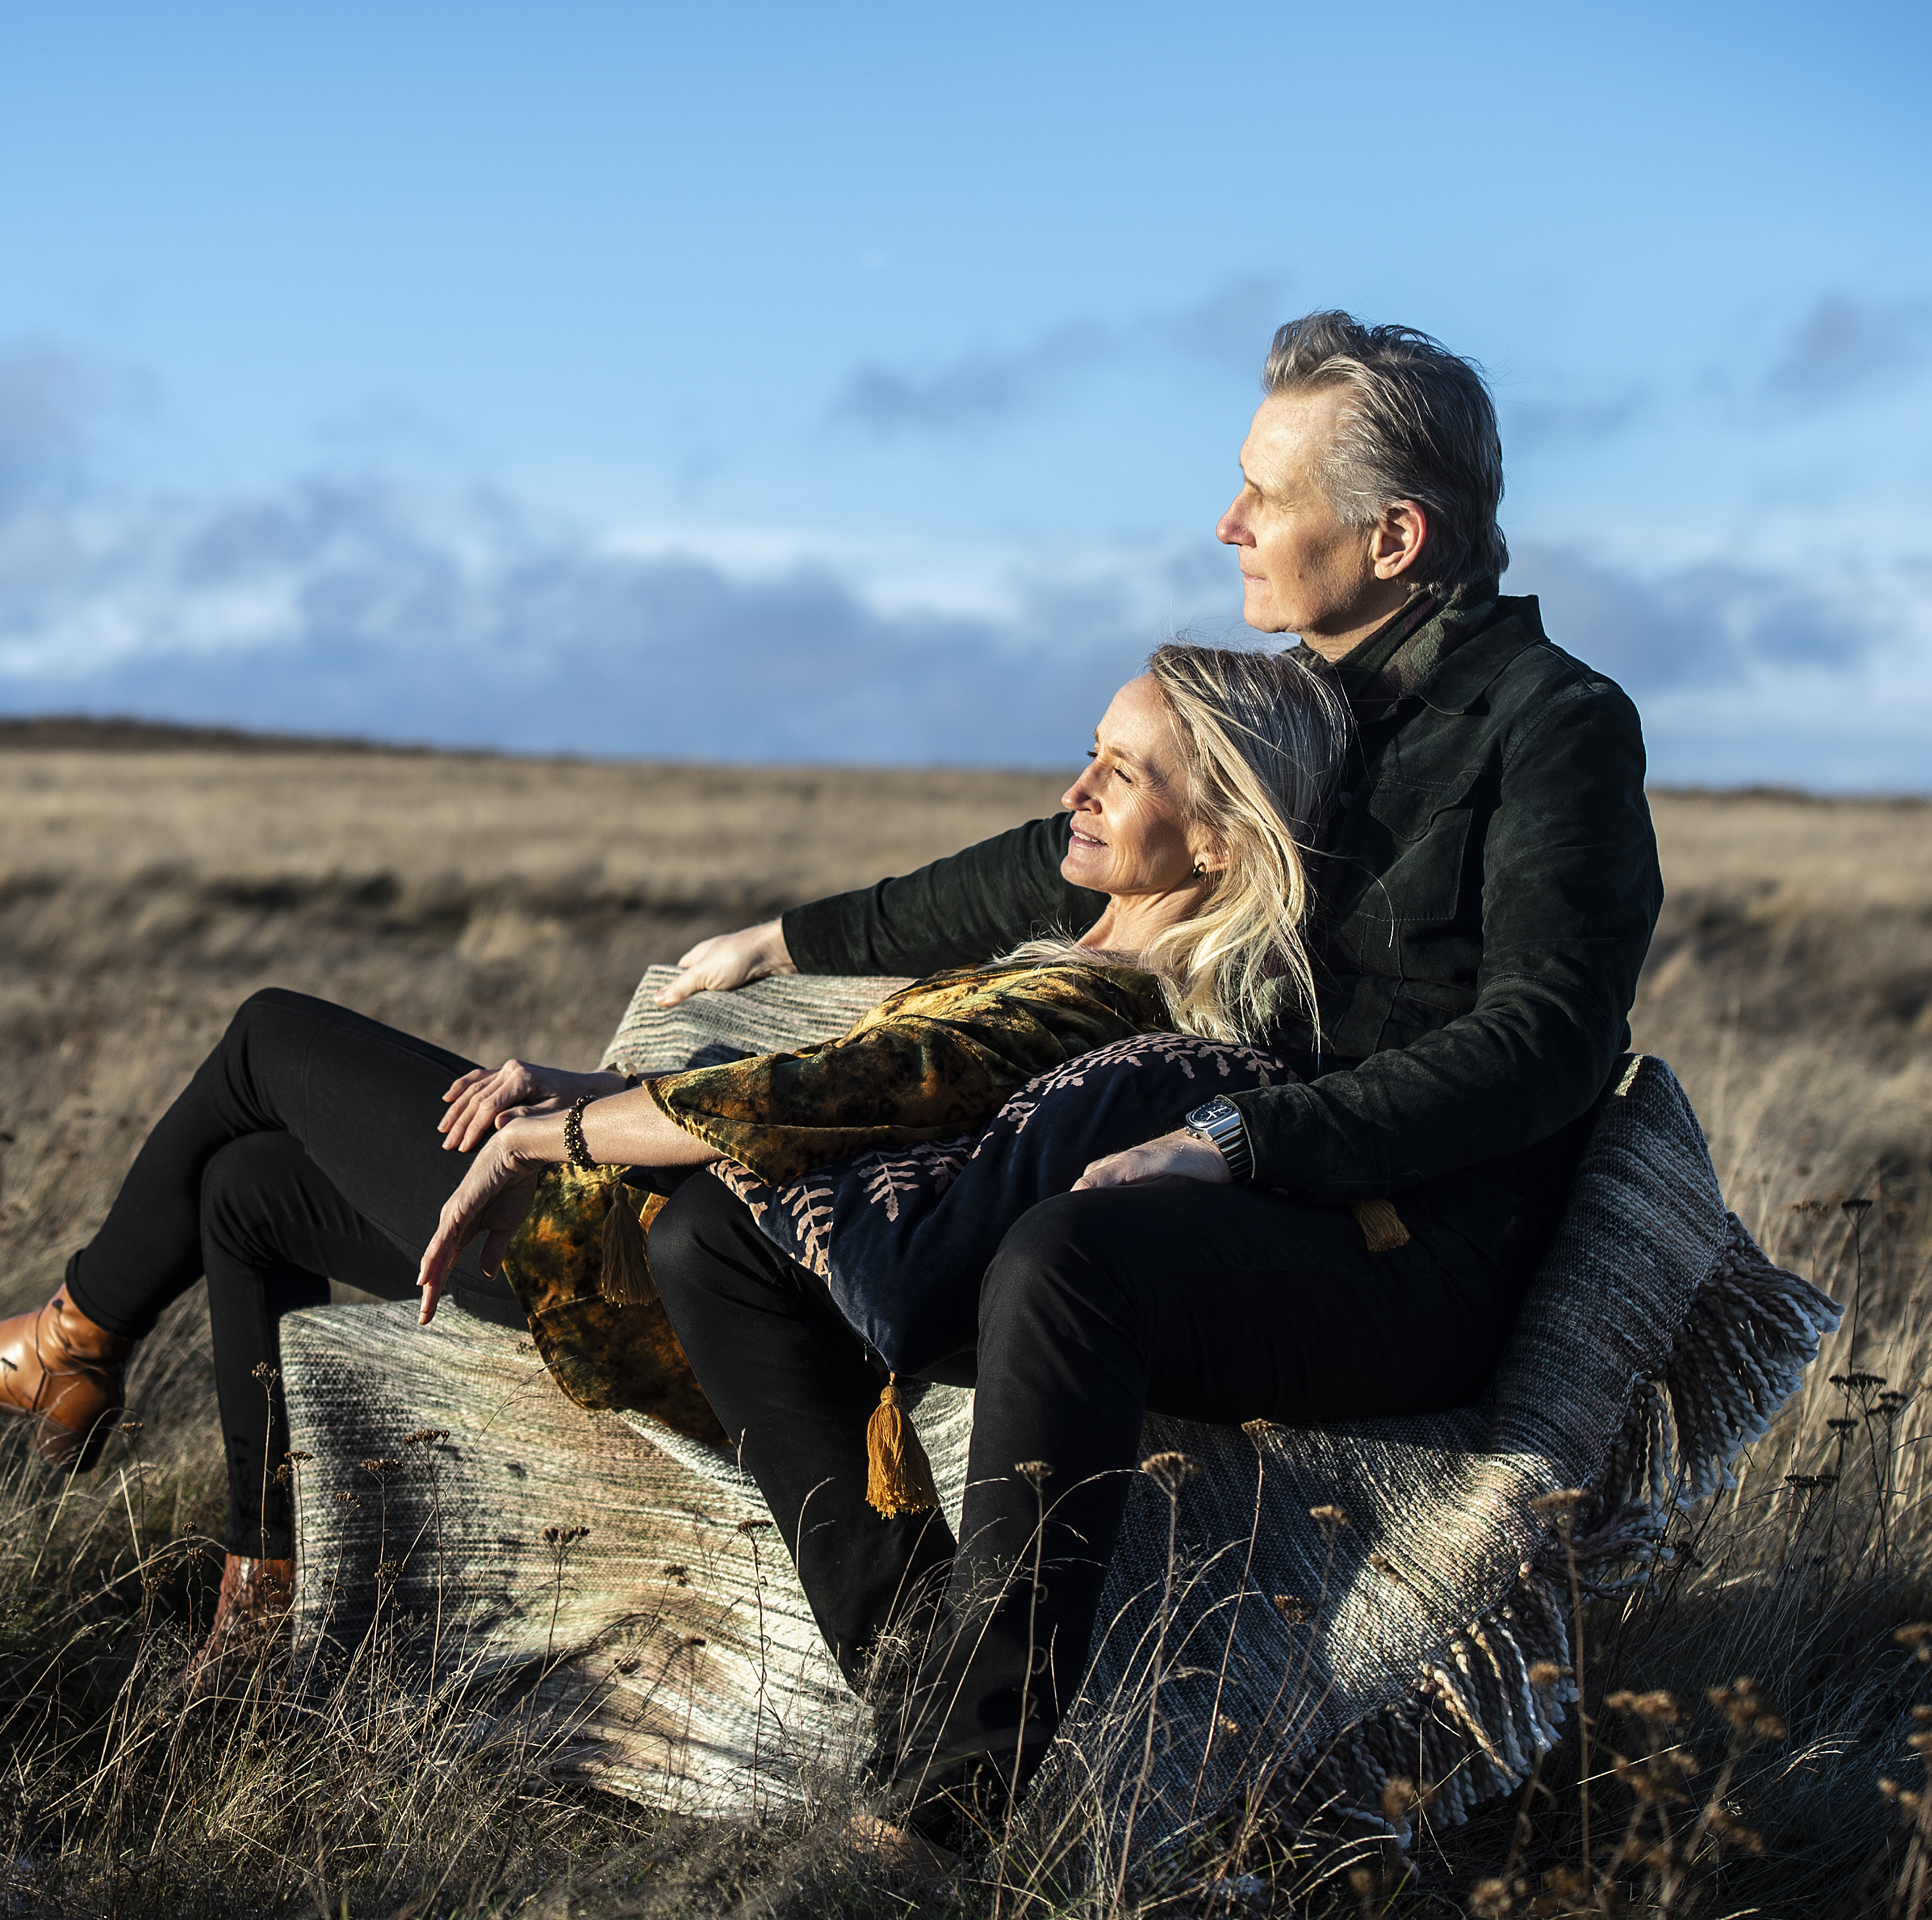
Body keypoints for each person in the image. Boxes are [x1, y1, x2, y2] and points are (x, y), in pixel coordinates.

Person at [646, 310, 1665, 1842]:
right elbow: (1050, 866)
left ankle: (941, 1817)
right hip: (1210, 1167)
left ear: (1394, 535)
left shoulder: (1552, 727)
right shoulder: (1307, 703)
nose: (1227, 520)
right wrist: (792, 936)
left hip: (1401, 1244)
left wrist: (1243, 1139)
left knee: (1071, 1258)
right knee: (714, 1226)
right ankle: (906, 1650)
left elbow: (1544, 1043)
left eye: (1266, 492)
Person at [0, 643, 1348, 1678]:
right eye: (1087, 751)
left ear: (1216, 837)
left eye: (1122, 771)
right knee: (245, 1192)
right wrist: (600, 1079)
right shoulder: (1061, 950)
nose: (1077, 789)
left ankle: (70, 1336)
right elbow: (807, 1075)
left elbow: (824, 1091)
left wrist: (557, 1128)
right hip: (636, 1218)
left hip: (639, 1271)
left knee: (272, 1033)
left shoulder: (1100, 997)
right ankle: (257, 1588)